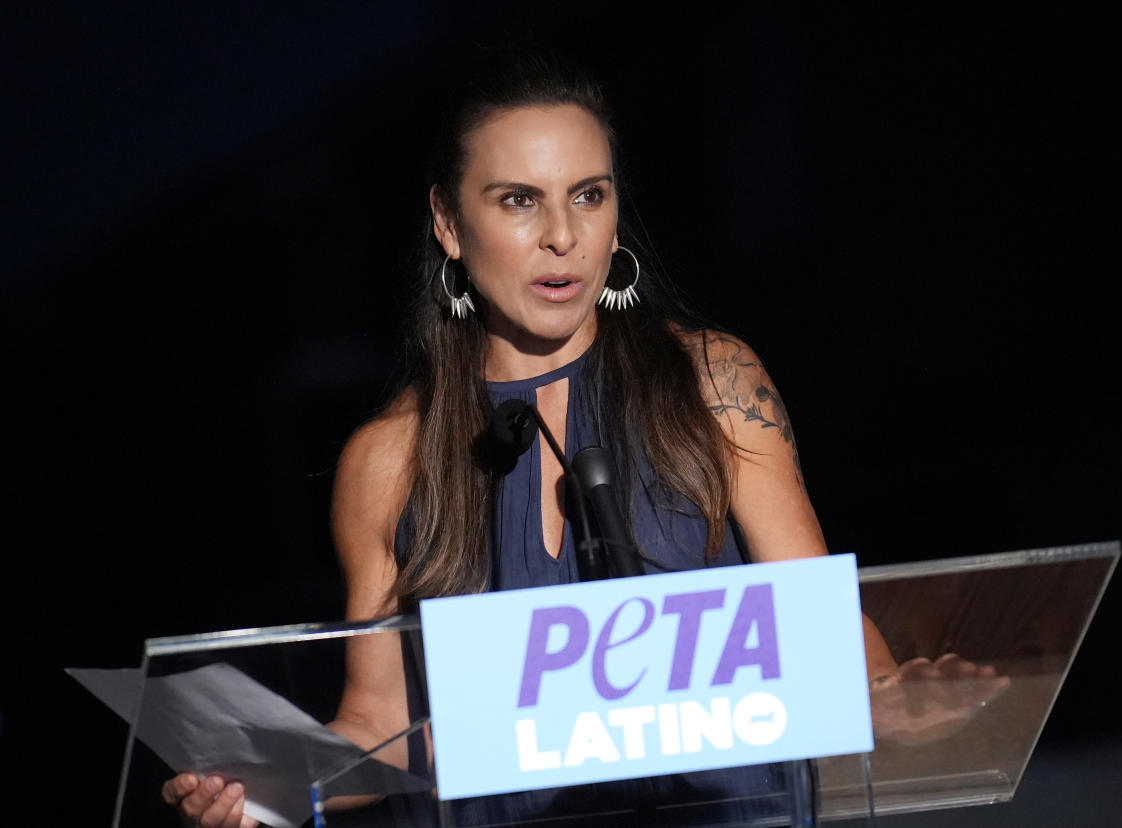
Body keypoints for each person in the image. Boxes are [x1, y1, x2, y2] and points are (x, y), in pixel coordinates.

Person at [164, 49, 1003, 828]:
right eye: (519, 200)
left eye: (588, 195)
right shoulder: (389, 460)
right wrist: (266, 788)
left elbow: (818, 630)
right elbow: (382, 724)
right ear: (450, 224)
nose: (561, 235)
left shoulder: (714, 383)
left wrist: (898, 701)